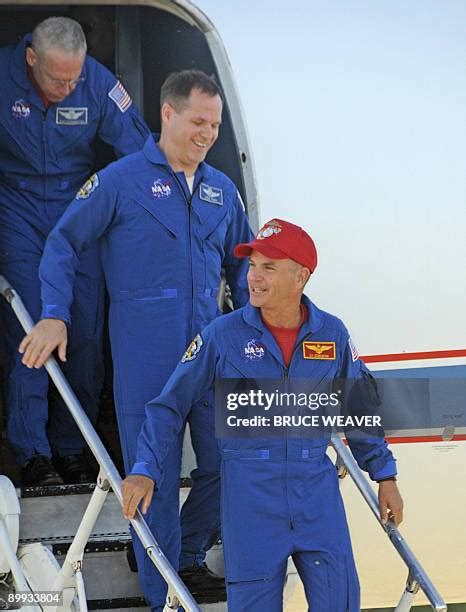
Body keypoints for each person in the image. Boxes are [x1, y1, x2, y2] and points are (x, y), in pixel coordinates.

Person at [19, 70, 253, 609]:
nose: (207, 134)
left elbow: (244, 271)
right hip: (147, 358)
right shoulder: (119, 181)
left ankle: (181, 553)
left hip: (211, 356)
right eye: (198, 121)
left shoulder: (222, 190)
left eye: (215, 125)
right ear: (167, 114)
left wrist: (253, 333)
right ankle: (162, 593)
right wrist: (55, 315)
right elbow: (63, 243)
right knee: (155, 479)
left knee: (230, 463)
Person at [121, 218, 404, 611]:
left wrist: (385, 475)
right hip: (249, 499)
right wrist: (145, 467)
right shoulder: (222, 336)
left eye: (268, 267)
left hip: (316, 495)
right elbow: (169, 405)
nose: (253, 277)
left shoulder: (333, 335)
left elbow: (359, 407)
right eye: (252, 265)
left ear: (300, 276)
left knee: (340, 603)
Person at [0, 16, 150, 486]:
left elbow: (141, 156)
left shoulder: (99, 84)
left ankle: (73, 447)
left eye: (74, 78)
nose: (67, 87)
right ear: (31, 57)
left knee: (83, 331)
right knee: (34, 321)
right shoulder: (2, 76)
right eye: (56, 78)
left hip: (79, 207)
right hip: (16, 206)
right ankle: (32, 453)